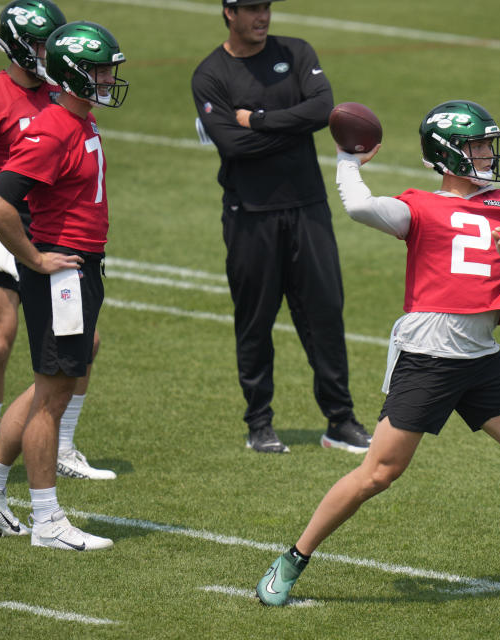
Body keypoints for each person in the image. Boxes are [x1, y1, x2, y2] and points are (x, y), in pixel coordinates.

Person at [255, 100, 500, 606]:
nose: (488, 154)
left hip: (481, 357)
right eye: (478, 145)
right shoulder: (420, 206)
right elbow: (358, 207)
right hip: (428, 354)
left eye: (487, 144)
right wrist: (349, 160)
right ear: (449, 156)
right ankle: (292, 559)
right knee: (380, 472)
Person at [0, 20, 129, 550]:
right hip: (63, 275)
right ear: (74, 74)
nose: (107, 78)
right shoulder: (55, 128)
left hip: (79, 269)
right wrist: (34, 259)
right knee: (51, 399)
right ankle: (47, 522)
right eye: (100, 70)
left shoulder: (77, 121)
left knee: (45, 387)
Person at [191, 0, 370, 454]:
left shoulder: (296, 52)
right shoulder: (210, 75)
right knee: (255, 321)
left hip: (308, 208)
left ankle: (340, 420)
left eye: (265, 6)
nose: (262, 16)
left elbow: (324, 111)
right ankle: (259, 424)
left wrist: (260, 120)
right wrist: (294, 124)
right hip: (250, 215)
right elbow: (231, 144)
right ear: (228, 12)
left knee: (325, 315)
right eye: (251, 8)